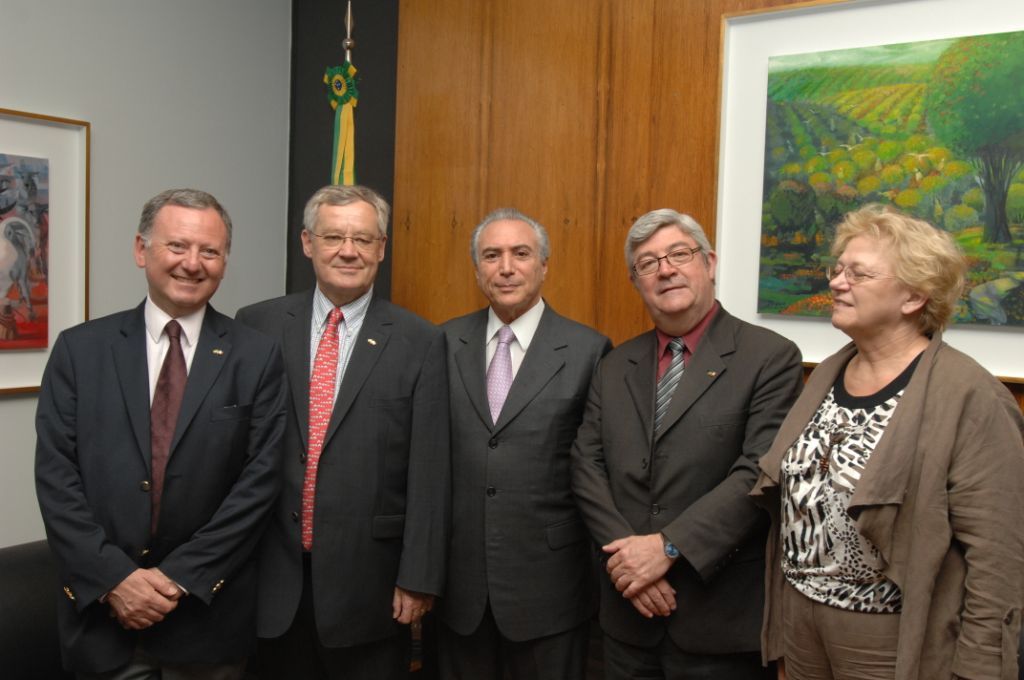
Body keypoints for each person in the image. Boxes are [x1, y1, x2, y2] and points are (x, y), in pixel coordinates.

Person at [752, 204, 1024, 680]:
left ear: (914, 297)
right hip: (800, 623)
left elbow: (999, 556)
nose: (837, 283)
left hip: (888, 637)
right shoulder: (826, 375)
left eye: (859, 274)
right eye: (838, 270)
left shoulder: (968, 394)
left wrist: (979, 665)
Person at [34, 188, 287, 679]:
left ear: (224, 261)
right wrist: (115, 580)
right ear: (140, 249)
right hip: (100, 622)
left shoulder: (256, 357)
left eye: (209, 251)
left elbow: (258, 485)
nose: (192, 264)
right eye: (177, 246)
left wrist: (177, 578)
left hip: (206, 627)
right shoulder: (80, 351)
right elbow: (56, 480)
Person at [571, 208, 803, 679]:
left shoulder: (769, 358)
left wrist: (668, 548)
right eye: (648, 263)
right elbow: (586, 464)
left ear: (710, 263)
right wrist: (630, 564)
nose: (666, 269)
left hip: (718, 621)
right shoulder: (616, 364)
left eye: (680, 253)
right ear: (636, 281)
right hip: (626, 618)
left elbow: (757, 473)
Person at [235, 184, 450, 680]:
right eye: (333, 236)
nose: (347, 251)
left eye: (362, 239)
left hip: (369, 588)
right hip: (271, 577)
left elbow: (430, 470)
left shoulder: (420, 340)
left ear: (381, 248)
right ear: (307, 243)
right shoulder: (258, 325)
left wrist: (418, 579)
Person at [437, 208, 612, 679]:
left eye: (521, 253)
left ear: (544, 265)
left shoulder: (588, 350)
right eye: (491, 256)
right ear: (477, 270)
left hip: (550, 588)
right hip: (459, 590)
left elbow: (596, 467)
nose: (506, 267)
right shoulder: (443, 342)